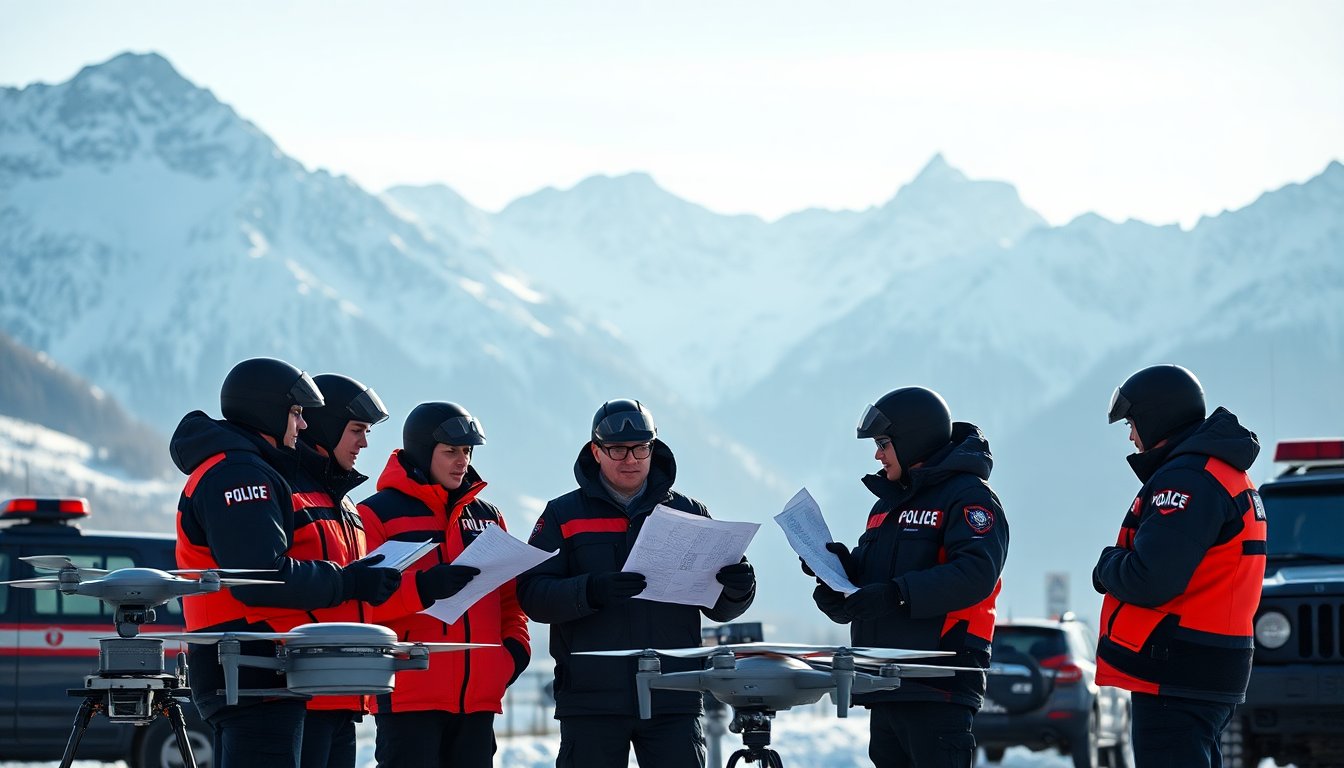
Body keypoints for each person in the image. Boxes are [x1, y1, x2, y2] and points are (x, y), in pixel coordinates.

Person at [172, 358, 402, 768]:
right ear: (268, 411)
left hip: (258, 670)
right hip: (249, 668)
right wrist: (347, 583)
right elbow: (260, 577)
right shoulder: (239, 473)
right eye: (296, 413)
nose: (303, 424)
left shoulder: (247, 467)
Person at [517, 398, 757, 768]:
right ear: (596, 451)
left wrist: (739, 588)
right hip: (591, 700)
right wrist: (589, 591)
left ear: (653, 448)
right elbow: (532, 596)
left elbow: (720, 607)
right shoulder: (563, 515)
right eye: (617, 449)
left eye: (641, 448)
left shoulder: (689, 513)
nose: (630, 459)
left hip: (674, 695)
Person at [807, 386, 1008, 768]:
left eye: (884, 443)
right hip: (886, 683)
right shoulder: (886, 506)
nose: (877, 454)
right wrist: (839, 583)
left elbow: (975, 572)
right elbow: (876, 587)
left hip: (939, 683)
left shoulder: (969, 497)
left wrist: (896, 595)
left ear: (913, 439)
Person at [1094, 364, 1266, 768]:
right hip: (1204, 668)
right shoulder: (1221, 472)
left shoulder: (1187, 480)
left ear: (1158, 419)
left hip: (1176, 669)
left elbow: (1151, 577)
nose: (1132, 436)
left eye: (1132, 424)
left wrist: (1106, 566)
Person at [357, 401, 531, 768]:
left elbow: (509, 602)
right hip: (408, 696)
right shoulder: (376, 514)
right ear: (422, 452)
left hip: (479, 699)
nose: (462, 461)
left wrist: (513, 655)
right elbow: (359, 605)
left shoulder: (487, 517)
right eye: (450, 451)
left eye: (466, 451)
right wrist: (420, 588)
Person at [266, 373, 391, 768]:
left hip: (347, 690)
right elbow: (273, 578)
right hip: (299, 692)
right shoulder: (285, 487)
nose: (364, 443)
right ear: (326, 426)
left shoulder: (347, 505)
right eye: (357, 430)